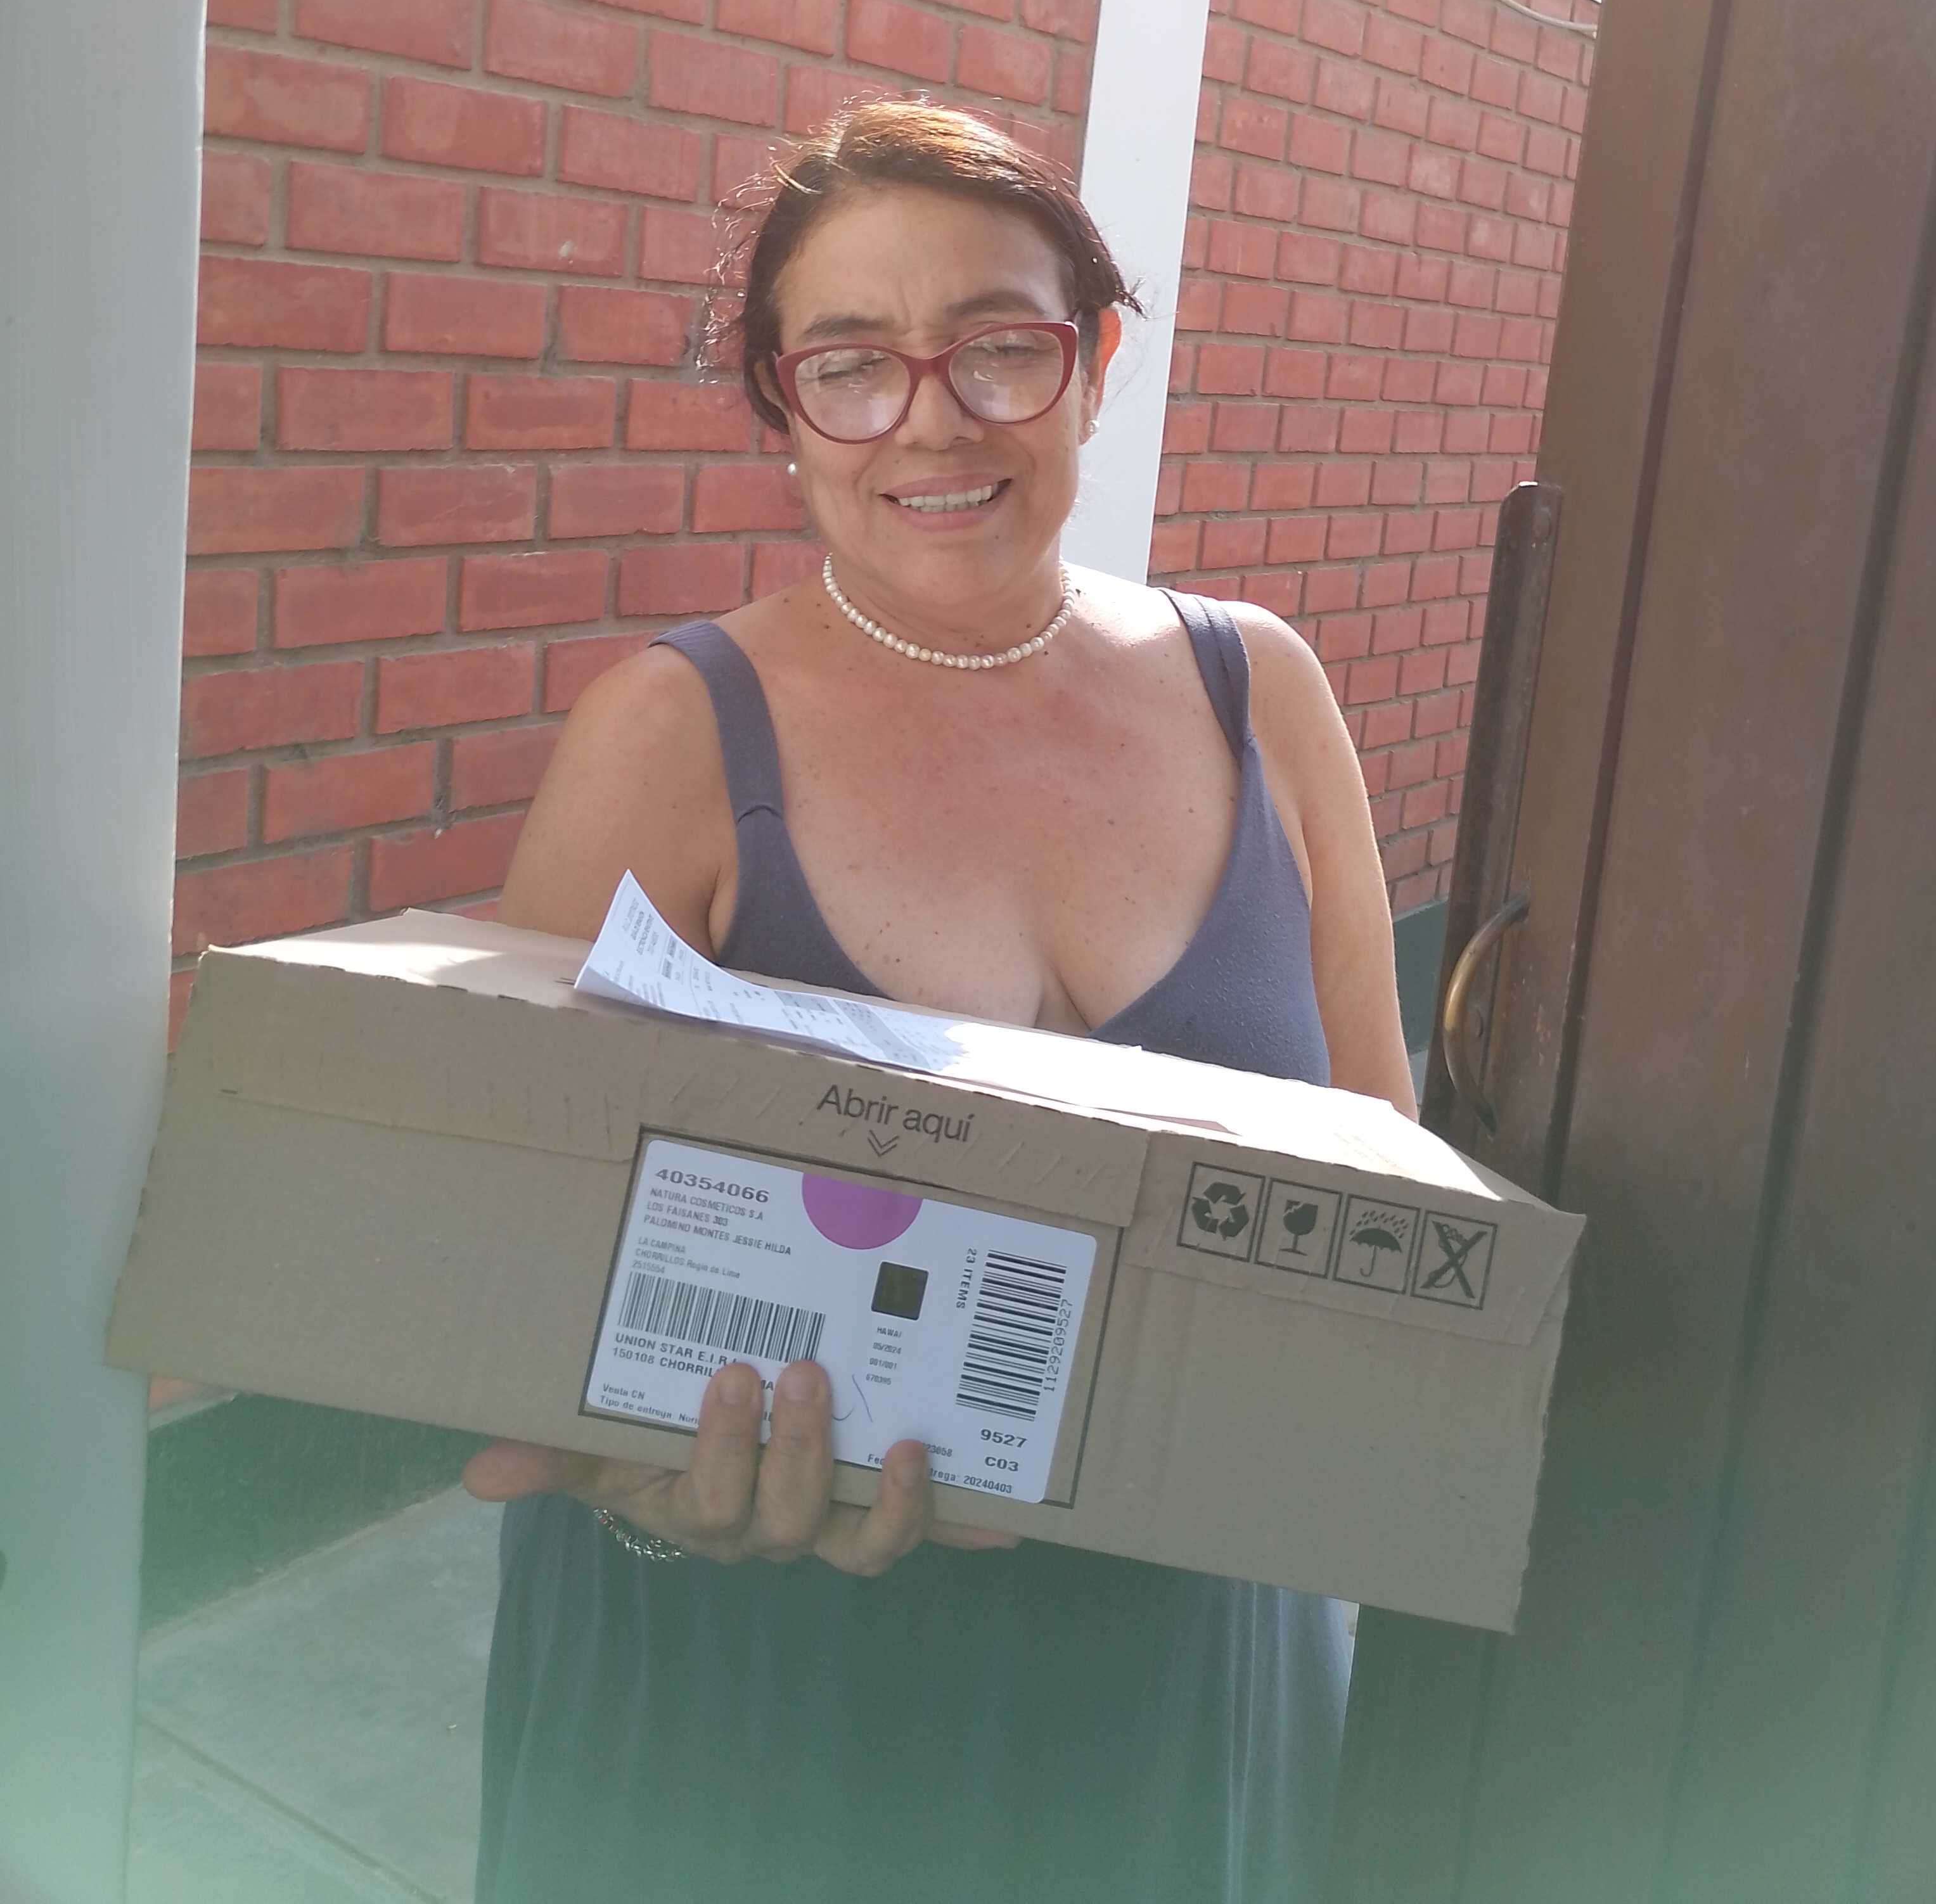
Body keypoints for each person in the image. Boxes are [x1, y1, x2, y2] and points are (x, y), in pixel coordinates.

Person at [465, 102, 1417, 1904]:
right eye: (851, 365)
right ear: (782, 409)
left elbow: (1381, 1170)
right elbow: (513, 1253)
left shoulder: (1263, 695)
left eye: (998, 346)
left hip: (1176, 1668)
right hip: (766, 1695)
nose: (931, 420)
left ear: (1095, 363)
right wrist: (640, 1491)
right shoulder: (670, 737)